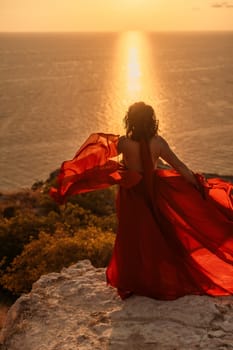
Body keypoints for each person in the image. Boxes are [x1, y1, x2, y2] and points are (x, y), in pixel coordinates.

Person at [50, 101, 233, 300]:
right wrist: (199, 186)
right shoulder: (158, 142)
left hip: (132, 194)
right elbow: (179, 166)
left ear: (130, 120)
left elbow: (96, 157)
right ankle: (161, 278)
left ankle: (136, 281)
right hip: (155, 192)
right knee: (159, 233)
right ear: (152, 120)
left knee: (133, 235)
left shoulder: (124, 143)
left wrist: (75, 176)